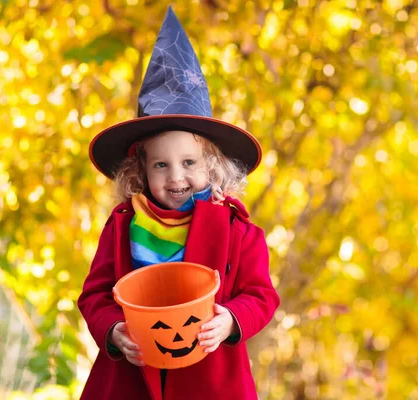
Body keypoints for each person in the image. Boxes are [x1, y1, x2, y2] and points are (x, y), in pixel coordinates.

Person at [77, 7, 280, 400]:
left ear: (212, 165)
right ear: (141, 171)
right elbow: (95, 295)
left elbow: (261, 295)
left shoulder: (239, 230)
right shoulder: (122, 225)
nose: (176, 177)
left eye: (189, 163)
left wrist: (232, 320)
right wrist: (113, 330)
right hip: (130, 381)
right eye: (161, 165)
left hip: (212, 378)